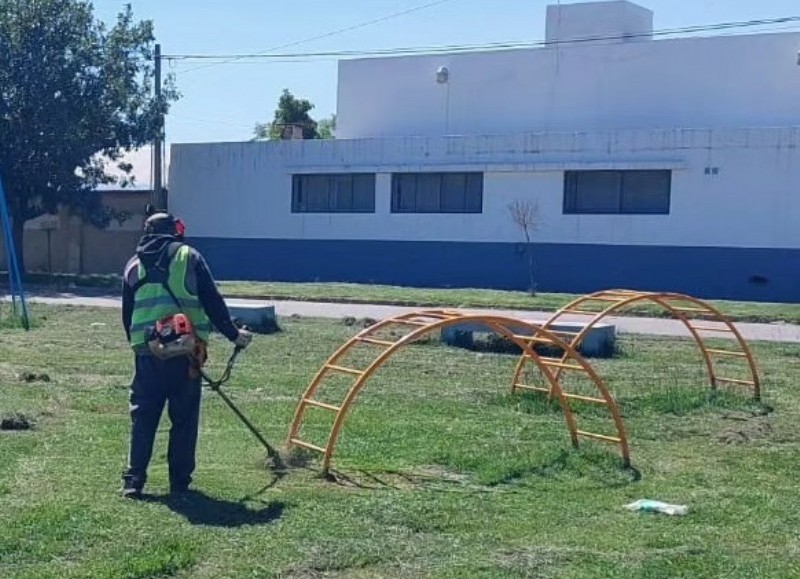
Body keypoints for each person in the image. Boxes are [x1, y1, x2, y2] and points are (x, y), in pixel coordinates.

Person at [120, 211, 252, 499]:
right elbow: (212, 300)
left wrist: (140, 349)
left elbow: (128, 315)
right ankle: (179, 482)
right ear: (174, 231)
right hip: (186, 353)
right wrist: (234, 335)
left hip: (148, 354)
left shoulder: (132, 265)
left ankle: (133, 480)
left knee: (143, 417)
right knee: (183, 418)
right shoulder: (188, 257)